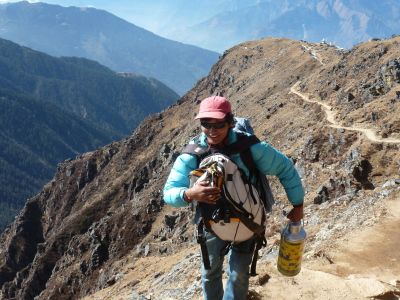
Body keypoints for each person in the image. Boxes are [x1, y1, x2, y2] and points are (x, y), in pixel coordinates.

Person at [163, 96, 304, 300]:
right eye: (205, 124)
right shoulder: (193, 154)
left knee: (238, 275)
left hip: (247, 220)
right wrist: (189, 194)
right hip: (211, 222)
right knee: (210, 274)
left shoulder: (250, 148)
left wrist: (297, 204)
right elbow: (169, 192)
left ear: (230, 122)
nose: (212, 130)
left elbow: (285, 168)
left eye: (219, 124)